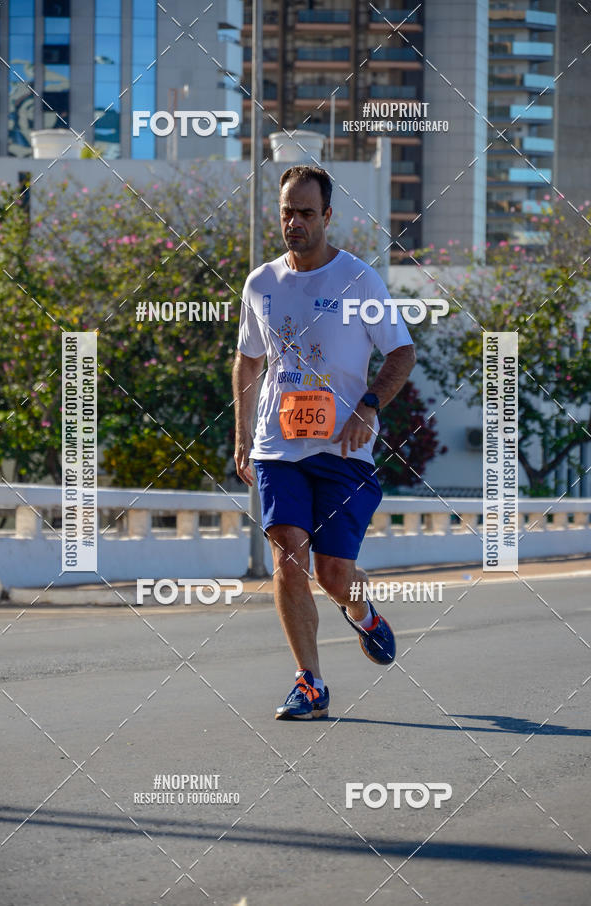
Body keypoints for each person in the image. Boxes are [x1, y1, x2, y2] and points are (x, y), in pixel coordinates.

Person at [233, 164, 416, 720]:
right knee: (289, 557)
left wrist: (368, 405)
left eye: (306, 213)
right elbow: (248, 360)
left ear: (327, 216)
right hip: (278, 447)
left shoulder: (359, 280)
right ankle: (309, 683)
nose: (295, 222)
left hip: (342, 450)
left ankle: (363, 615)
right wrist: (242, 433)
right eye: (287, 212)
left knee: (333, 574)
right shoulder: (260, 283)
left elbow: (401, 351)